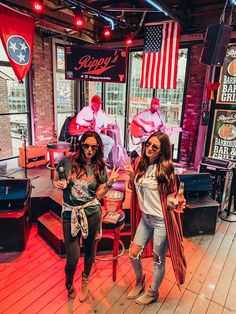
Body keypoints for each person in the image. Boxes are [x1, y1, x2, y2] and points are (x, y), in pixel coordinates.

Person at [53, 131, 119, 302]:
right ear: (81, 145)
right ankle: (69, 284)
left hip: (91, 212)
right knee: (72, 257)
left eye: (93, 147)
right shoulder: (67, 162)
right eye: (86, 146)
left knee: (90, 249)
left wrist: (109, 184)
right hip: (70, 213)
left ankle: (85, 281)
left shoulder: (99, 166)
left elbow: (98, 195)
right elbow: (55, 179)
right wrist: (58, 183)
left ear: (98, 148)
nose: (89, 150)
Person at [124, 131, 187, 305]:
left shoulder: (166, 169)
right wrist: (131, 176)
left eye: (155, 147)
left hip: (161, 221)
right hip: (145, 219)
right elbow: (134, 187)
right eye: (148, 144)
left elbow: (174, 194)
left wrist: (174, 201)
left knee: (157, 260)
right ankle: (140, 280)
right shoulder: (140, 163)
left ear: (161, 151)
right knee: (133, 254)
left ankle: (153, 292)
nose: (149, 149)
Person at [76, 95, 114, 160]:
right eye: (96, 104)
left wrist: (109, 125)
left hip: (96, 135)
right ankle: (86, 160)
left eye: (99, 104)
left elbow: (106, 123)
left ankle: (101, 160)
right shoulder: (86, 110)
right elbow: (78, 120)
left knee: (110, 141)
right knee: (89, 143)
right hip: (85, 134)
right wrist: (88, 124)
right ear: (92, 103)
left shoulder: (101, 113)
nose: (98, 106)